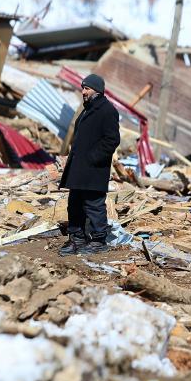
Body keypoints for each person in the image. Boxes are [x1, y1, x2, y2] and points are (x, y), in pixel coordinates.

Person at [58, 73, 120, 256]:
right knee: (75, 203)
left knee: (93, 205)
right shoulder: (88, 109)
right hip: (79, 169)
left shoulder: (107, 110)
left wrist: (92, 158)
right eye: (83, 88)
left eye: (87, 88)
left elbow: (112, 140)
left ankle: (99, 240)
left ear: (97, 90)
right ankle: (77, 238)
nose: (83, 91)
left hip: (93, 169)